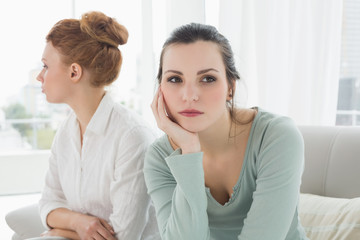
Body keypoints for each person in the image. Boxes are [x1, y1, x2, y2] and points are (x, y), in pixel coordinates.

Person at [144, 23, 309, 240]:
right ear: (160, 90)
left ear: (230, 87)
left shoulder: (276, 137)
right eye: (175, 79)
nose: (189, 95)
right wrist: (189, 152)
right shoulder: (159, 159)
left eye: (207, 79)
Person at [36, 11, 159, 240]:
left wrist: (61, 230)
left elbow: (123, 235)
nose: (39, 76)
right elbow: (48, 203)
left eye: (45, 66)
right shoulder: (65, 132)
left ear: (74, 72)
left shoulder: (132, 137)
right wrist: (78, 223)